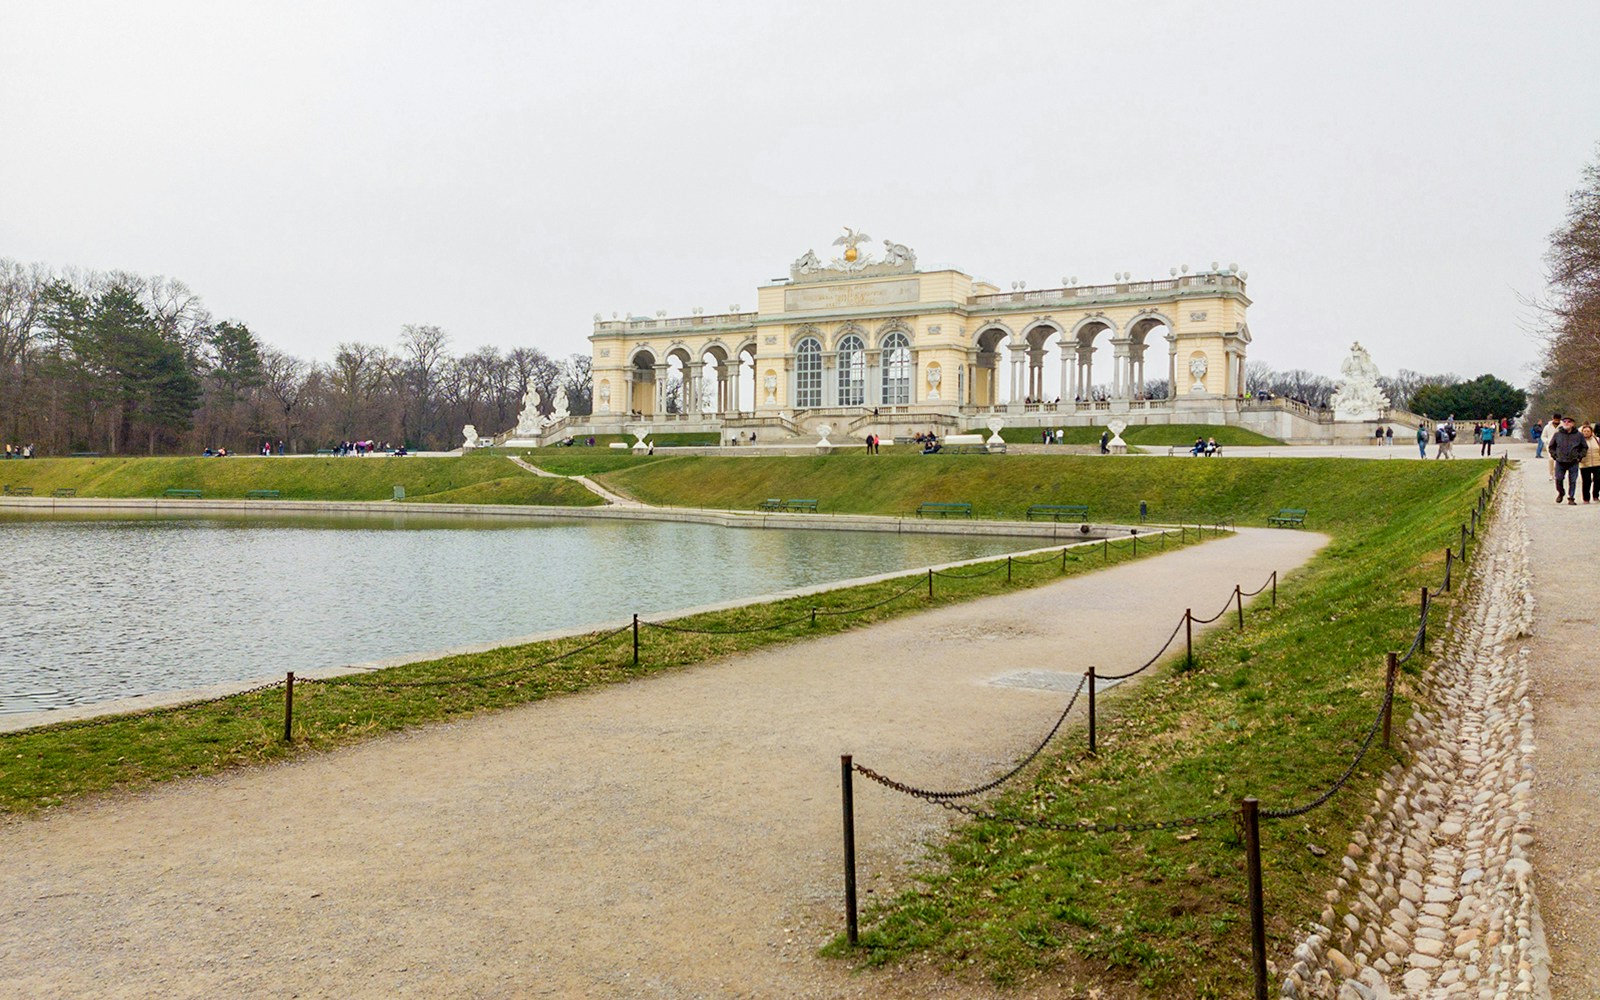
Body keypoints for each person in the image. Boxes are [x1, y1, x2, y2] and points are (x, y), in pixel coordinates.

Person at [1550, 415, 1587, 504]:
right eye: (1565, 421)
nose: (1566, 423)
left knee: (1573, 480)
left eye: (1569, 421)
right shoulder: (1557, 434)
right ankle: (1561, 493)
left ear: (1573, 424)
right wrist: (1555, 455)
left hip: (1573, 461)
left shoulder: (1579, 435)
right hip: (1560, 461)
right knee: (1558, 479)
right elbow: (1551, 446)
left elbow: (1584, 447)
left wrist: (1580, 456)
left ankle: (1571, 498)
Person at [1580, 423, 1600, 504]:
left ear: (1591, 432)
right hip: (1585, 464)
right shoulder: (1580, 441)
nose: (1586, 433)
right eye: (1584, 431)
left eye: (1588, 431)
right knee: (1586, 482)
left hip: (1597, 463)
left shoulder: (1597, 440)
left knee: (1598, 480)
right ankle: (1586, 498)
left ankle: (1596, 495)